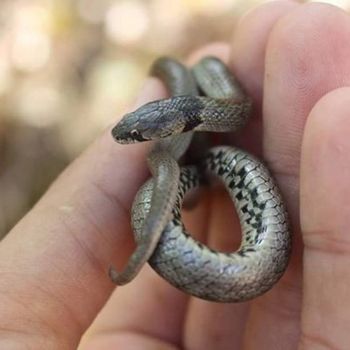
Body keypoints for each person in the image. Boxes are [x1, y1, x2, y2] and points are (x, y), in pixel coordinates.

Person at [1, 1, 349, 349]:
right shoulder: (190, 118)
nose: (131, 139)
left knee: (208, 87)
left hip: (210, 160)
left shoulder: (228, 109)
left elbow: (231, 109)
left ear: (170, 124)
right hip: (201, 153)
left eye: (139, 135)